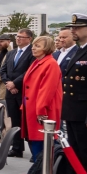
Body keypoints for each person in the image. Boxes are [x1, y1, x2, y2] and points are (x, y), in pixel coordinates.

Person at [61, 14, 87, 174]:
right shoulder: (80, 50)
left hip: (85, 112)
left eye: (77, 28)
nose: (73, 31)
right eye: (73, 28)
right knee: (77, 152)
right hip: (74, 111)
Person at [21, 35, 61, 163]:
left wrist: (41, 111)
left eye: (37, 46)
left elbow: (47, 90)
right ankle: (37, 172)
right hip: (32, 107)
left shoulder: (50, 64)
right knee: (35, 140)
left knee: (42, 141)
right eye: (33, 45)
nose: (33, 48)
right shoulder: (37, 62)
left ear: (47, 48)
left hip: (42, 110)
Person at [0, 28, 35, 158]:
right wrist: (9, 84)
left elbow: (29, 72)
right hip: (11, 93)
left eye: (21, 37)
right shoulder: (11, 53)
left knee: (26, 121)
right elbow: (3, 70)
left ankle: (34, 152)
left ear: (29, 39)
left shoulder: (32, 52)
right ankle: (17, 148)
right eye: (17, 36)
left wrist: (15, 83)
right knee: (14, 121)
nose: (18, 39)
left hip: (23, 92)